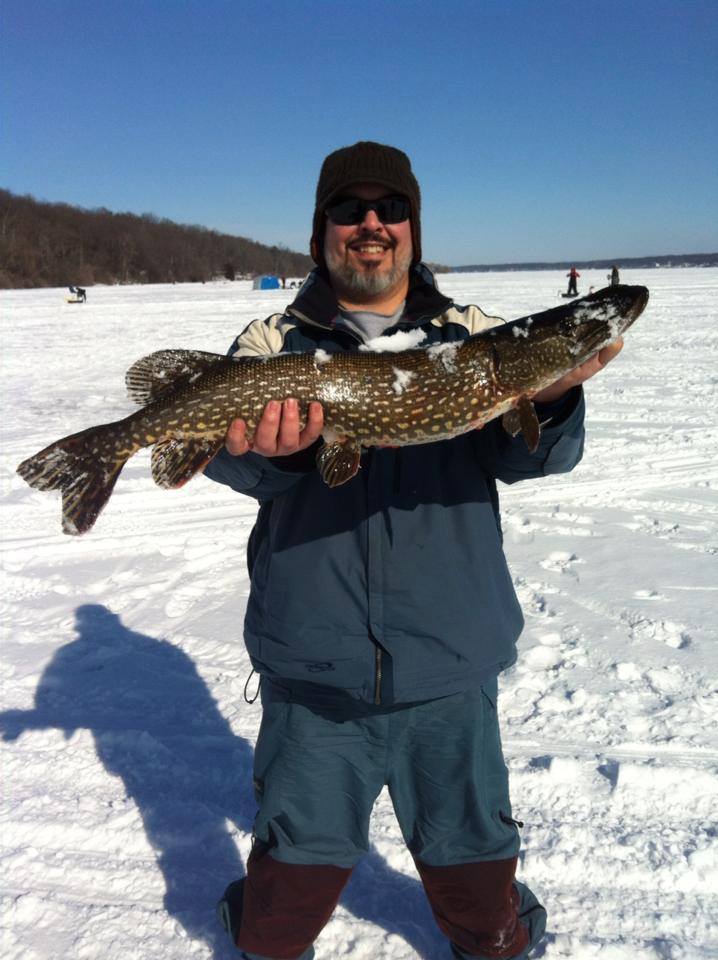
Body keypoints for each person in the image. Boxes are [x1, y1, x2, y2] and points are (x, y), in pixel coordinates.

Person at [204, 141, 624, 960]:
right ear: (321, 230)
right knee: (282, 909)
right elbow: (230, 461)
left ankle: (494, 932)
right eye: (349, 210)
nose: (371, 225)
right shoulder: (269, 344)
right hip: (315, 675)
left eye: (389, 209)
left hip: (447, 668)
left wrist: (553, 399)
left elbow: (531, 455)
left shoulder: (470, 337)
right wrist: (279, 454)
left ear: (413, 228)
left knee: (478, 887)